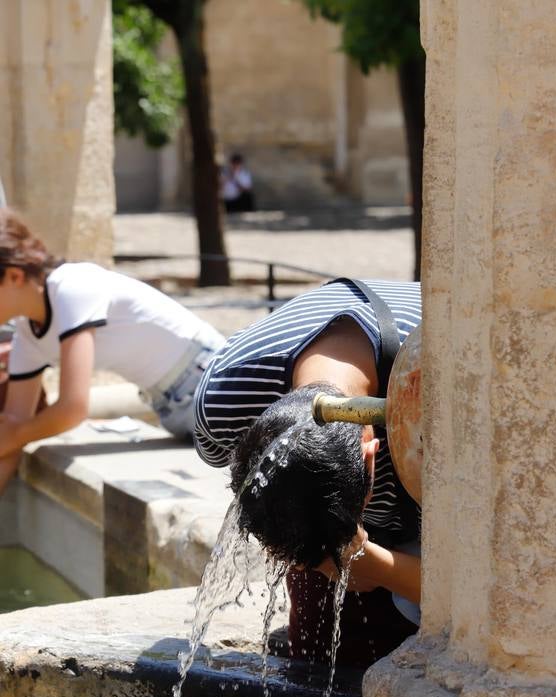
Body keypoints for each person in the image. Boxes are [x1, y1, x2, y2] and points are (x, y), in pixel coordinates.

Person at [193, 278, 422, 667]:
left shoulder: (445, 388)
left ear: (371, 456)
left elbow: (485, 596)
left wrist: (374, 564)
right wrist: (325, 557)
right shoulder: (227, 402)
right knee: (318, 661)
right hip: (350, 506)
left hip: (446, 514)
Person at [0, 208, 225, 497]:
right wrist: (12, 436)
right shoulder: (27, 336)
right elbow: (11, 430)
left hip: (214, 381)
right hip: (174, 410)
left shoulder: (71, 286)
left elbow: (72, 408)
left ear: (14, 276)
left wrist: (14, 436)